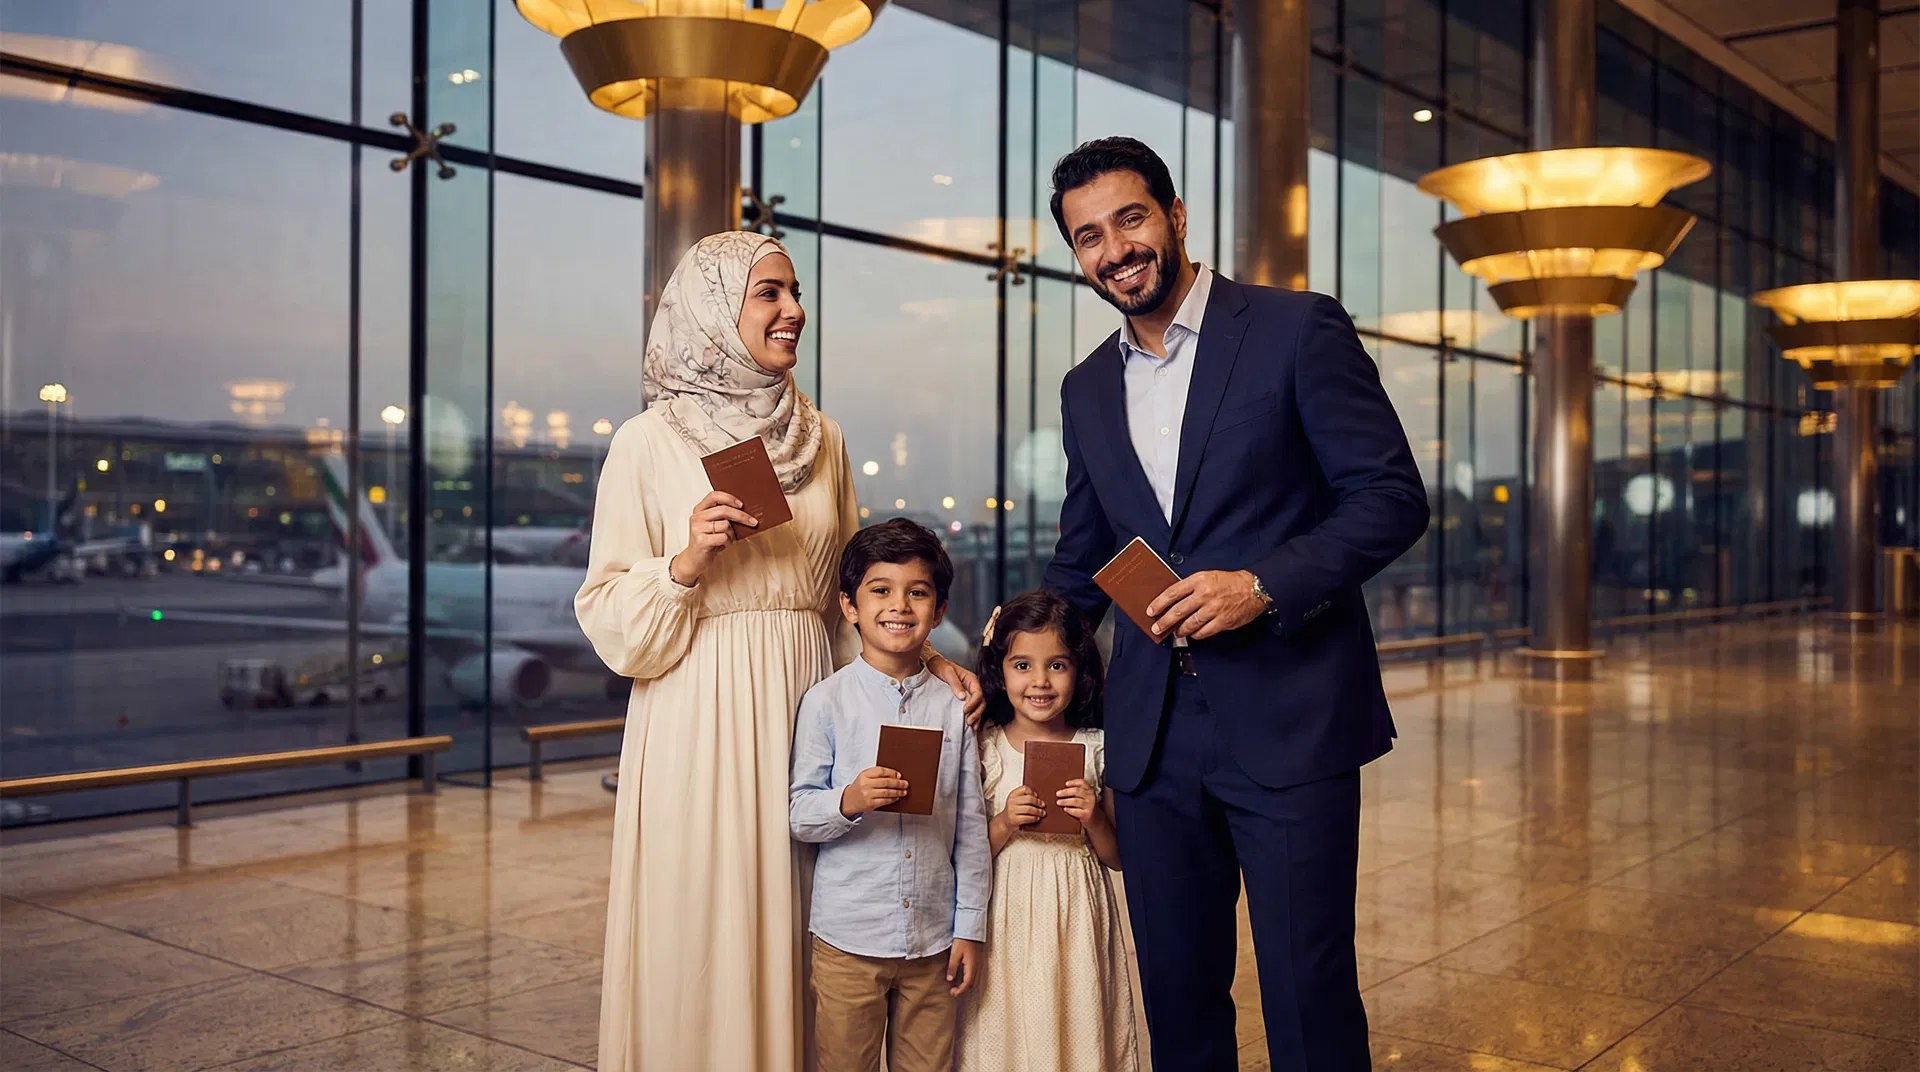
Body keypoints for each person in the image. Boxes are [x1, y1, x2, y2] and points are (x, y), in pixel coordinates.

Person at [1041, 137, 1431, 1070]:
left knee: (1307, 997)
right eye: (1088, 236)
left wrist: (1261, 586)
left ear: (1175, 216)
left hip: (1290, 716)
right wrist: (993, 655)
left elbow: (1390, 498)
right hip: (1151, 739)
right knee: (1177, 1002)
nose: (1115, 250)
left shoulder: (1297, 329)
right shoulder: (1086, 386)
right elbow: (1082, 553)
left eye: (1130, 219)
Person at [576, 232, 981, 1072]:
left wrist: (927, 662)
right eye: (768, 293)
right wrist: (685, 562)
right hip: (702, 715)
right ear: (713, 312)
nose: (794, 309)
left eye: (795, 290)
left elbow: (853, 590)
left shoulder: (822, 438)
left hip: (816, 696)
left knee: (824, 910)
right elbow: (608, 615)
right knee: (715, 918)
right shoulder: (646, 443)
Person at [789, 518, 992, 1072]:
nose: (899, 605)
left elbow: (971, 825)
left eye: (917, 592)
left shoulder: (955, 707)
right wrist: (849, 800)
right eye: (880, 590)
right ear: (849, 607)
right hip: (849, 939)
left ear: (939, 611)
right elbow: (800, 812)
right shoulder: (826, 702)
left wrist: (968, 928)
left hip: (932, 941)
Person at [958, 590, 1139, 1072]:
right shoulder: (985, 747)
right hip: (1005, 913)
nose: (1039, 681)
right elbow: (964, 851)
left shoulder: (1096, 747)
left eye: (1057, 665)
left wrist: (1093, 818)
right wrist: (1004, 822)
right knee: (1007, 1017)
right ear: (1001, 671)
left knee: (1074, 1015)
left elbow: (1117, 857)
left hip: (1077, 911)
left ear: (1079, 671)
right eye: (1023, 666)